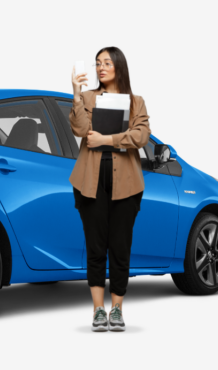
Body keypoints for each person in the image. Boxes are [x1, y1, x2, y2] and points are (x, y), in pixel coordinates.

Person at [69, 46, 151, 332]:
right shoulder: (89, 97)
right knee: (95, 247)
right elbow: (79, 130)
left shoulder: (135, 102)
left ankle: (117, 309)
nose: (100, 67)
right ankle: (97, 309)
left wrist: (106, 139)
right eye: (97, 63)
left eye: (106, 63)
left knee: (120, 247)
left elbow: (141, 136)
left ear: (119, 66)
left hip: (126, 185)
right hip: (89, 183)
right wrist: (77, 95)